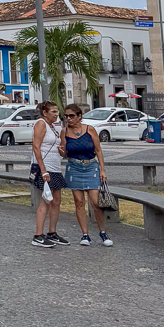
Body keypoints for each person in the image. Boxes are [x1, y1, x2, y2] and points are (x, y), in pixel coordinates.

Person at [60, 103, 113, 246]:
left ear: (79, 116)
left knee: (95, 202)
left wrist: (102, 169)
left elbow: (98, 150)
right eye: (66, 116)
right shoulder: (64, 132)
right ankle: (85, 235)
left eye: (71, 116)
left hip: (90, 166)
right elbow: (64, 153)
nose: (68, 119)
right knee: (79, 202)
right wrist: (61, 152)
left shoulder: (90, 129)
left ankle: (103, 232)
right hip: (74, 167)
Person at [30, 101, 68, 247]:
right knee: (45, 200)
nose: (56, 114)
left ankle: (52, 232)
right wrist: (43, 169)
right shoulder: (41, 124)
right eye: (53, 111)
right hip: (45, 167)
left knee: (56, 200)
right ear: (45, 113)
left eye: (57, 111)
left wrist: (61, 151)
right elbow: (36, 147)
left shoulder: (53, 126)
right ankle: (38, 235)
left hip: (55, 166)